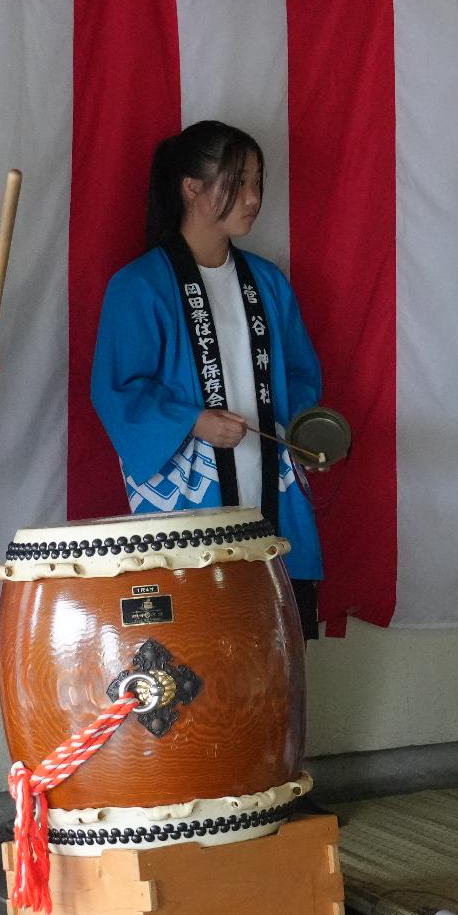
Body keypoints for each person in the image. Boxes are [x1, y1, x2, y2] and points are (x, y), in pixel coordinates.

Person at [91, 120, 326, 632]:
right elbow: (118, 391)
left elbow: (301, 375)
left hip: (274, 496)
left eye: (257, 182)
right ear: (191, 187)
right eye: (237, 182)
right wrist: (193, 421)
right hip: (191, 503)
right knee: (196, 659)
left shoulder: (268, 282)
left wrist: (308, 433)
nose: (253, 197)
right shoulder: (139, 286)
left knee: (282, 661)